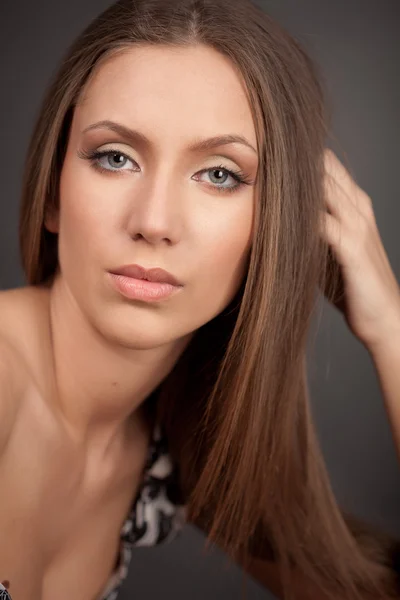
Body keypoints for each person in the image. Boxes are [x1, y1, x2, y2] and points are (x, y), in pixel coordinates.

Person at [1, 0, 399, 599]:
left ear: (277, 229)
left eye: (219, 174)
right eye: (115, 157)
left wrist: (390, 325)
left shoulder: (172, 451)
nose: (155, 221)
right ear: (54, 190)